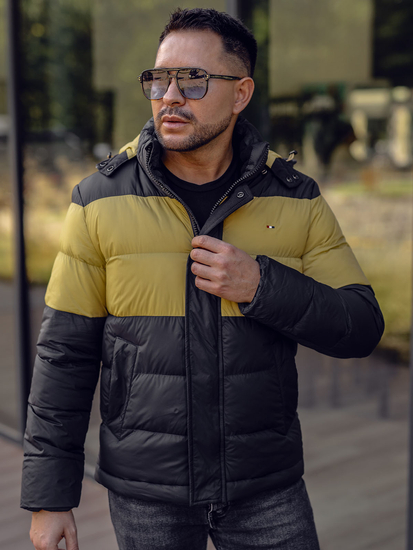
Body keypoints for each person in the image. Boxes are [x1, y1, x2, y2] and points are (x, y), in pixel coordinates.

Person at [21, 7, 384, 550]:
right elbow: (64, 355)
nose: (169, 96)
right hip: (146, 492)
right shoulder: (99, 201)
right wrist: (50, 499)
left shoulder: (294, 197)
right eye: (158, 79)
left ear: (241, 93)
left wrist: (261, 286)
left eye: (193, 80)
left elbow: (361, 325)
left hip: (266, 487)